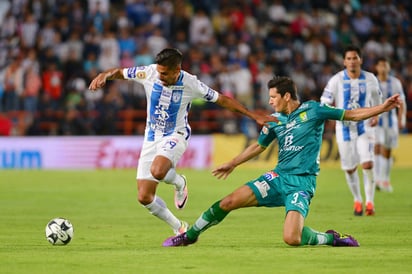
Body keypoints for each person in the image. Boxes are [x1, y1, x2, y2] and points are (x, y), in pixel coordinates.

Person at [162, 76, 401, 248]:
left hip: (301, 183)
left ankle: (330, 238)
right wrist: (233, 163)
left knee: (292, 239)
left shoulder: (314, 110)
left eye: (273, 97)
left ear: (287, 96)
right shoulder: (274, 119)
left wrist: (382, 107)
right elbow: (259, 146)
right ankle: (190, 235)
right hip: (278, 177)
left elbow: (349, 114)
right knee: (229, 201)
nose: (270, 102)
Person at [88, 48, 276, 237]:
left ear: (176, 70)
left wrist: (252, 115)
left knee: (158, 171)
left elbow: (223, 100)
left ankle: (179, 182)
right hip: (151, 137)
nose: (159, 76)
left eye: (164, 73)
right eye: (159, 71)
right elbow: (120, 72)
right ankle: (179, 227)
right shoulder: (149, 72)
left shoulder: (191, 83)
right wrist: (105, 75)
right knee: (144, 197)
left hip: (175, 135)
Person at [320, 45, 382, 216]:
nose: (352, 61)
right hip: (344, 129)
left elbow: (378, 100)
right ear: (344, 61)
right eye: (349, 59)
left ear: (360, 60)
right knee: (350, 168)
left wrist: (377, 115)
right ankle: (357, 200)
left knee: (368, 164)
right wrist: (329, 113)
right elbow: (324, 101)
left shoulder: (370, 79)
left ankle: (370, 202)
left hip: (365, 127)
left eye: (355, 58)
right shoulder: (336, 80)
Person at [374, 57, 407, 192]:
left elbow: (402, 101)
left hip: (390, 121)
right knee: (376, 147)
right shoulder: (372, 82)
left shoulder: (395, 82)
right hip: (375, 121)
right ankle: (376, 179)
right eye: (381, 65)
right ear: (377, 67)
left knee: (387, 150)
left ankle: (385, 179)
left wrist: (401, 119)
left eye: (385, 65)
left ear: (389, 68)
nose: (383, 68)